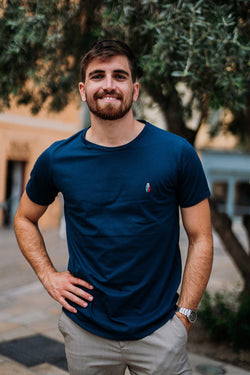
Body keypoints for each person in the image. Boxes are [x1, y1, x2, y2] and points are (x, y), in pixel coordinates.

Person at [14, 39, 213, 375]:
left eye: (119, 76)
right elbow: (24, 219)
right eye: (98, 76)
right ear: (82, 89)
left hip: (161, 330)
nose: (108, 85)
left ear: (134, 91)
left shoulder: (176, 154)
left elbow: (201, 236)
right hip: (86, 333)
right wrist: (48, 276)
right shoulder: (58, 159)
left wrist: (185, 317)